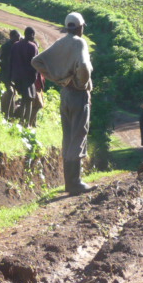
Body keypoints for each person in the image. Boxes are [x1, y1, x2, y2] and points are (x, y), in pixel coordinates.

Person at [32, 12, 94, 196]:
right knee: (78, 135)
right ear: (81, 26)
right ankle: (75, 183)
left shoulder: (61, 42)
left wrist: (59, 79)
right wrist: (80, 83)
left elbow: (36, 61)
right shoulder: (79, 42)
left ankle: (70, 183)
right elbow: (83, 66)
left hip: (65, 95)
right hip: (78, 95)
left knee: (68, 136)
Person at [10, 27, 39, 127]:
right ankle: (26, 122)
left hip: (17, 75)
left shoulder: (15, 45)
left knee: (23, 98)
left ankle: (20, 120)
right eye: (33, 35)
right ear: (31, 35)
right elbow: (35, 63)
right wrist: (35, 77)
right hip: (28, 76)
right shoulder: (33, 47)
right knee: (29, 99)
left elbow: (11, 60)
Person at [0, 30, 21, 118]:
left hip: (14, 74)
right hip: (5, 73)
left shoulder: (18, 47)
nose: (18, 38)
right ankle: (6, 115)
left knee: (13, 93)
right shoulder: (5, 46)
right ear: (11, 37)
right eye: (17, 37)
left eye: (19, 37)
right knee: (10, 92)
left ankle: (10, 112)